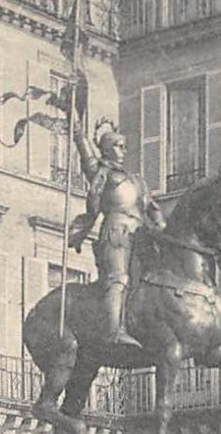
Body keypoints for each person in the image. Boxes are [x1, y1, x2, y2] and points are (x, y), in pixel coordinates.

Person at [68, 118, 165, 349]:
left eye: (124, 146)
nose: (123, 151)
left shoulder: (137, 180)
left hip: (142, 234)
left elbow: (151, 206)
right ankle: (114, 331)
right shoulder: (102, 172)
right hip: (116, 232)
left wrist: (160, 224)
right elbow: (85, 151)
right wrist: (76, 125)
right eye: (117, 145)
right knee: (118, 279)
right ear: (104, 148)